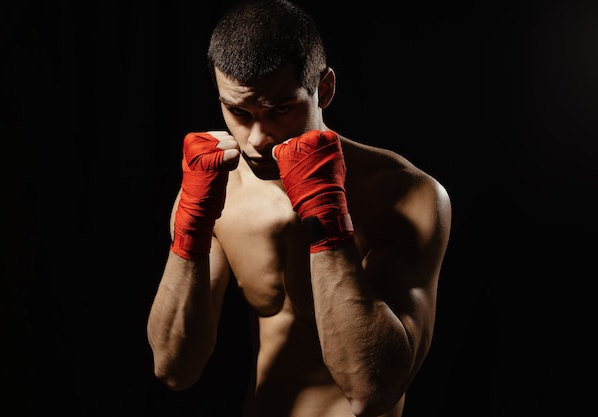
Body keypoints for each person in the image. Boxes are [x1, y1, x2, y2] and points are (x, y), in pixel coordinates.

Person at [146, 0, 452, 416]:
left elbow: (371, 392)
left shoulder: (406, 194)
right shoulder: (218, 190)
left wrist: (327, 217)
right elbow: (173, 368)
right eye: (238, 111)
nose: (256, 139)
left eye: (280, 110)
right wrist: (190, 233)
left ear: (323, 90)